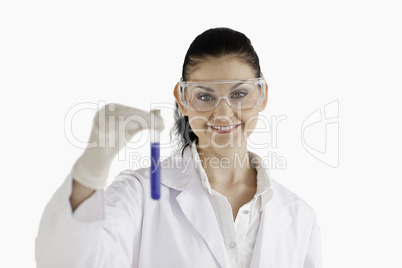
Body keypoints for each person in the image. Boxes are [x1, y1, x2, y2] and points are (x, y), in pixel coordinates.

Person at [35, 27, 322, 268]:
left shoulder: (299, 216)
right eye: (205, 96)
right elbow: (67, 261)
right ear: (182, 99)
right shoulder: (142, 194)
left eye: (239, 94)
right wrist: (92, 167)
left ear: (262, 95)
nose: (223, 113)